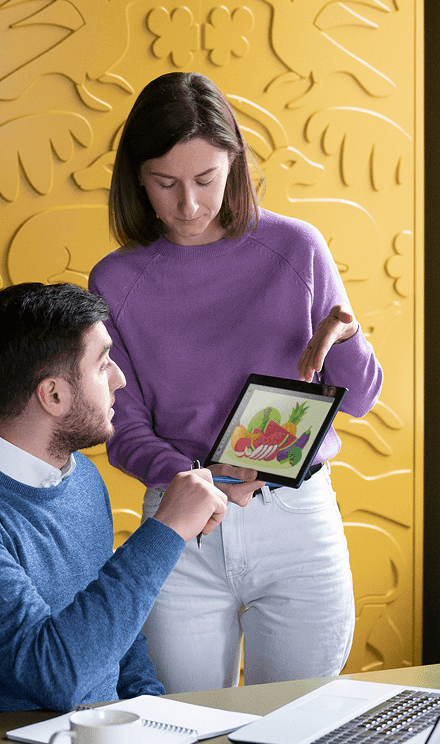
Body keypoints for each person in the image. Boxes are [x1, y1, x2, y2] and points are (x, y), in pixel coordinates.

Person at [88, 71, 383, 694]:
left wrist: (346, 336)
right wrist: (194, 483)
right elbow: (125, 428)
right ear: (136, 178)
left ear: (236, 166)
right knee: (188, 729)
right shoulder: (116, 279)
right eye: (165, 183)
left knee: (298, 725)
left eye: (206, 181)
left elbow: (359, 397)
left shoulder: (296, 248)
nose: (188, 205)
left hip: (296, 520)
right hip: (181, 519)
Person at [0, 281, 227, 726]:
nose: (119, 378)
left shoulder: (80, 477)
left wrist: (149, 715)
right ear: (53, 395)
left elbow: (115, 628)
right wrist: (167, 529)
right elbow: (54, 675)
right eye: (102, 365)